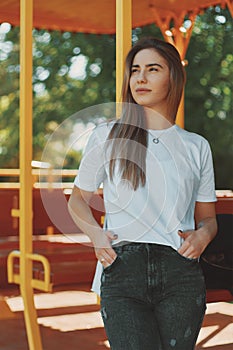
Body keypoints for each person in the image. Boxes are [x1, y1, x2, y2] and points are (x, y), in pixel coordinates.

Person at [68, 37, 217, 350]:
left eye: (152, 69)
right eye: (135, 70)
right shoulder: (105, 135)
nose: (140, 78)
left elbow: (208, 219)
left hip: (181, 272)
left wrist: (202, 237)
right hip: (122, 269)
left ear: (173, 77)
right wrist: (96, 235)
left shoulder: (196, 146)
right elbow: (77, 200)